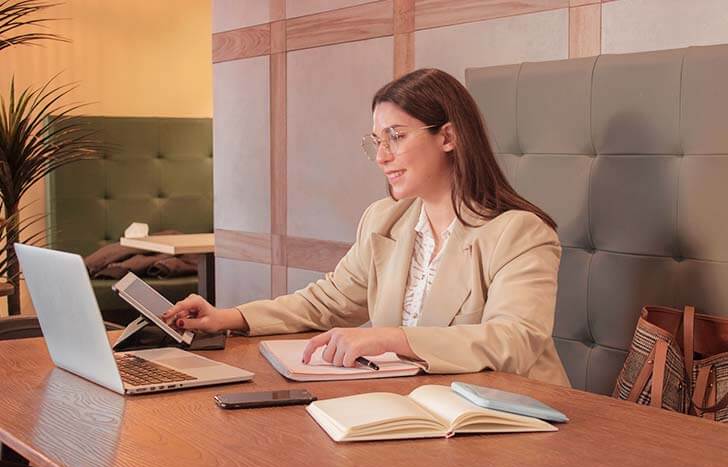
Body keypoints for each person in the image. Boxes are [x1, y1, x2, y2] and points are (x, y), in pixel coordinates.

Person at [163, 68, 570, 387]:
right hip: (416, 406)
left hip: (512, 414)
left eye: (395, 137)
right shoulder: (384, 220)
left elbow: (513, 341)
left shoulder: (520, 233)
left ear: (448, 136)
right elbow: (328, 302)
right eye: (376, 140)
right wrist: (228, 317)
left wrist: (392, 338)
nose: (381, 156)